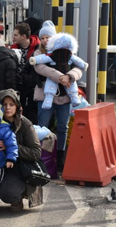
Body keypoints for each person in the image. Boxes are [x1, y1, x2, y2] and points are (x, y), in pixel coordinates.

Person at [32, 21, 83, 170]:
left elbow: (79, 68)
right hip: (45, 96)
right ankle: (41, 157)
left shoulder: (67, 51)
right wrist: (62, 77)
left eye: (48, 37)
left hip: (64, 97)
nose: (45, 40)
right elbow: (41, 69)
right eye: (43, 38)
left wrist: (70, 76)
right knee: (42, 127)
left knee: (63, 127)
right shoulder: (39, 53)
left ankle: (60, 157)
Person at [10, 23, 40, 124]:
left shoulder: (37, 49)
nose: (13, 37)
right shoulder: (12, 49)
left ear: (23, 36)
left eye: (15, 35)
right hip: (18, 87)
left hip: (32, 88)